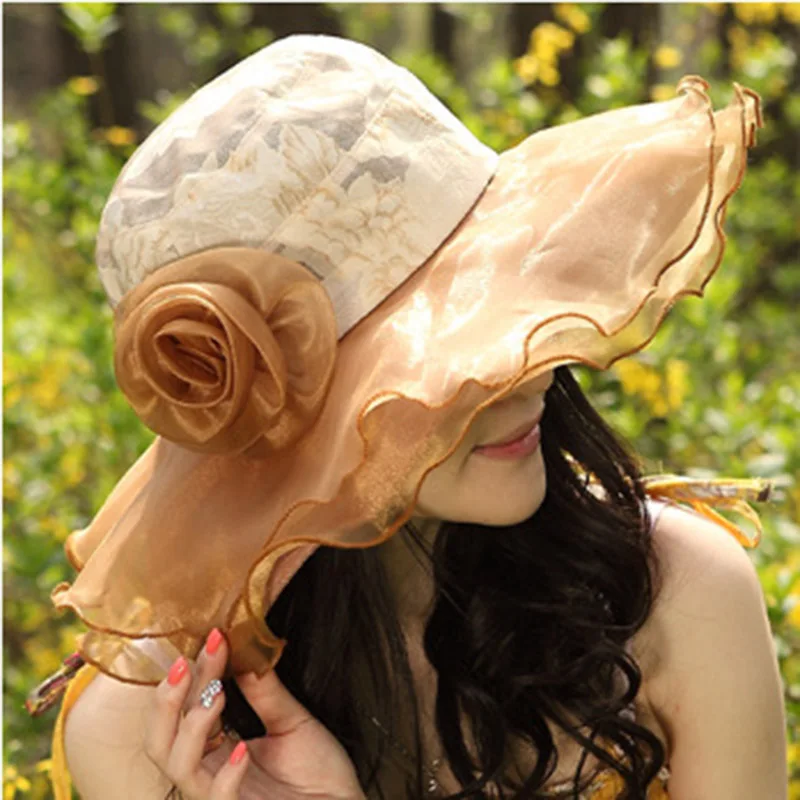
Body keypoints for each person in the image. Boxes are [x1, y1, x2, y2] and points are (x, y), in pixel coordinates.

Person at [28, 34, 786, 799]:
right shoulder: (146, 733)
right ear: (283, 421)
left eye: (508, 304)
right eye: (438, 354)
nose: (524, 376)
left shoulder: (677, 595)